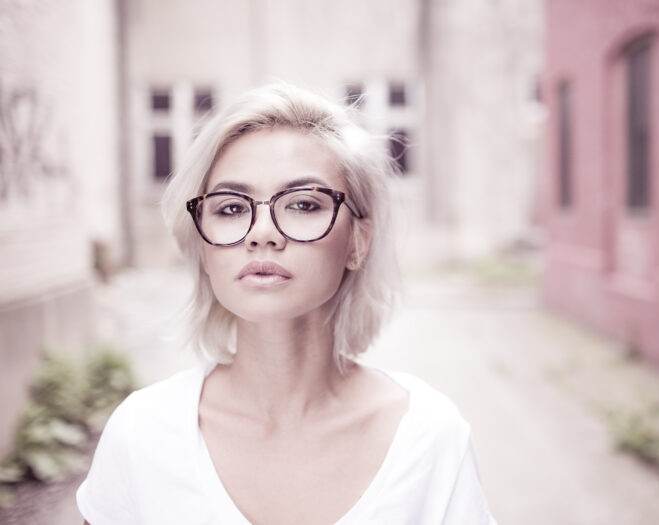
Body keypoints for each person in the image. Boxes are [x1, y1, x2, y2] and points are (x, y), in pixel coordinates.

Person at [76, 82, 496, 524]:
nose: (261, 233)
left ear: (358, 241)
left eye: (301, 203)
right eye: (232, 208)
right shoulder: (142, 433)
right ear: (203, 244)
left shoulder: (428, 437)